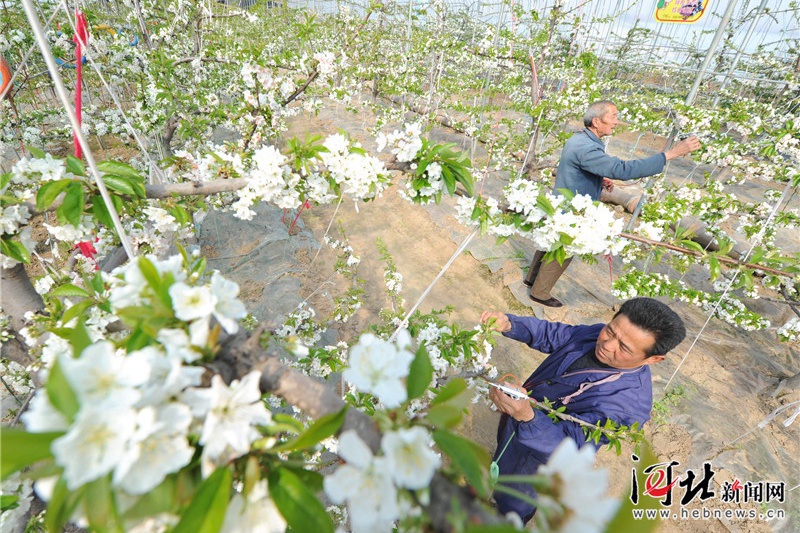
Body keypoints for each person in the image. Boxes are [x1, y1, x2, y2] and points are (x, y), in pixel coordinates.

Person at [481, 297, 686, 524]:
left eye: (624, 348)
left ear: (653, 359)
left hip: (539, 458)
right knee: (502, 460)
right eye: (610, 331)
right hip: (518, 423)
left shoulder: (627, 406)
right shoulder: (596, 335)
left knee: (516, 499)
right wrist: (511, 324)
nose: (608, 345)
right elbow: (555, 335)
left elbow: (570, 447)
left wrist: (528, 417)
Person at [525, 100, 702, 307]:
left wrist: (598, 178)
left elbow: (577, 166)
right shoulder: (587, 148)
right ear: (596, 121)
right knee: (564, 249)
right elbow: (622, 170)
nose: (617, 122)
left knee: (551, 240)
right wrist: (670, 154)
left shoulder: (580, 138)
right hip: (573, 210)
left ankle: (532, 279)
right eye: (613, 116)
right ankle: (540, 293)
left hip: (563, 200)